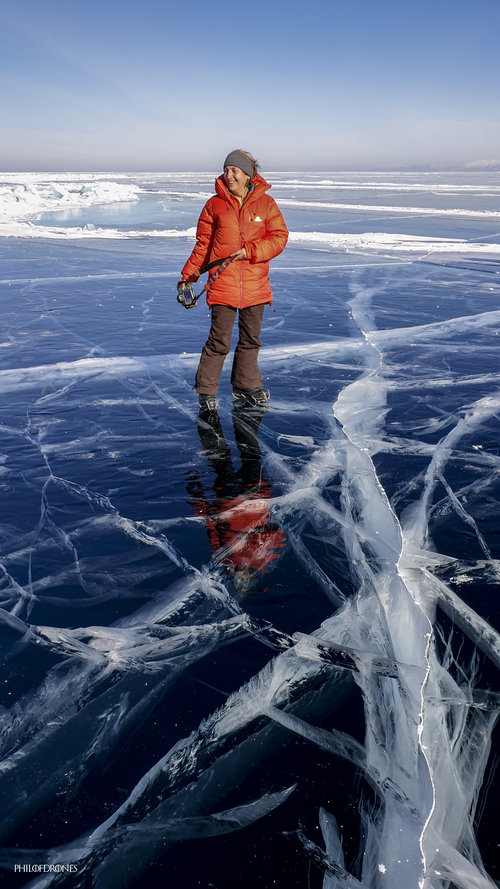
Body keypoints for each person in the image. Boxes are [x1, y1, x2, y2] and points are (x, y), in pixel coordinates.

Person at [179, 150, 288, 414]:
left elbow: (279, 237)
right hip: (223, 284)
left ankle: (246, 387)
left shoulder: (266, 204)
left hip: (255, 285)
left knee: (251, 340)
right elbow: (203, 245)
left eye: (234, 170)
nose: (229, 175)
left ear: (247, 174)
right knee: (219, 342)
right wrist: (188, 276)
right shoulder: (214, 205)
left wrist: (251, 250)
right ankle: (206, 392)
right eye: (226, 170)